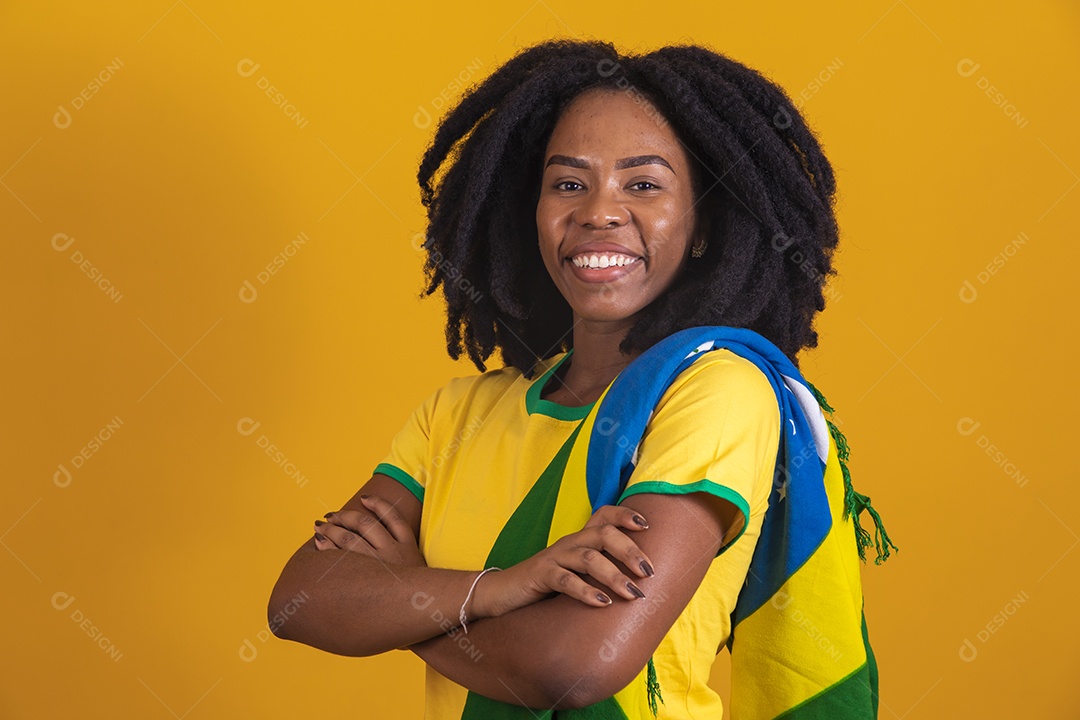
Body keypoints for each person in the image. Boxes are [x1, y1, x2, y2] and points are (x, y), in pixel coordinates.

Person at [268, 39, 895, 719]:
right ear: (526, 211)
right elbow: (299, 600)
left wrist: (408, 594)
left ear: (704, 222)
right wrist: (500, 590)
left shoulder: (717, 392)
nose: (598, 211)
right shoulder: (457, 414)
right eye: (568, 183)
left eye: (644, 184)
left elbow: (574, 666)